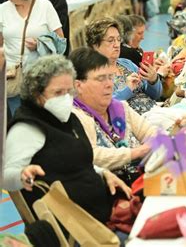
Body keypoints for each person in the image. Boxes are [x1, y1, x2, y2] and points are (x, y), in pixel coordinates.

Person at [4, 55, 131, 224]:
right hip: (75, 228)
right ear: (36, 93)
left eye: (68, 91)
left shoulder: (67, 119)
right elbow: (5, 176)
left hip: (99, 211)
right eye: (58, 92)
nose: (65, 98)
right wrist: (21, 175)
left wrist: (103, 173)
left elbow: (75, 160)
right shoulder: (27, 128)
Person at [69, 48, 164, 186]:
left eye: (110, 77)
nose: (109, 84)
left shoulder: (119, 107)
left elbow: (150, 132)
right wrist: (136, 153)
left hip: (141, 181)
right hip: (110, 192)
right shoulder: (75, 116)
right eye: (101, 79)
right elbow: (92, 155)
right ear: (78, 85)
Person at [0, 0, 64, 115]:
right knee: (19, 116)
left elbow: (60, 40)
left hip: (40, 75)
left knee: (40, 117)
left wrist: (40, 44)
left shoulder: (44, 6)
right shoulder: (2, 9)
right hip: (13, 75)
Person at [85, 18, 162, 115]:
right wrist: (127, 90)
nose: (117, 45)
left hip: (155, 112)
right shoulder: (92, 73)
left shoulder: (126, 63)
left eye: (118, 39)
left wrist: (153, 80)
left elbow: (155, 95)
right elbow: (101, 106)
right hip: (131, 123)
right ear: (95, 45)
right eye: (111, 40)